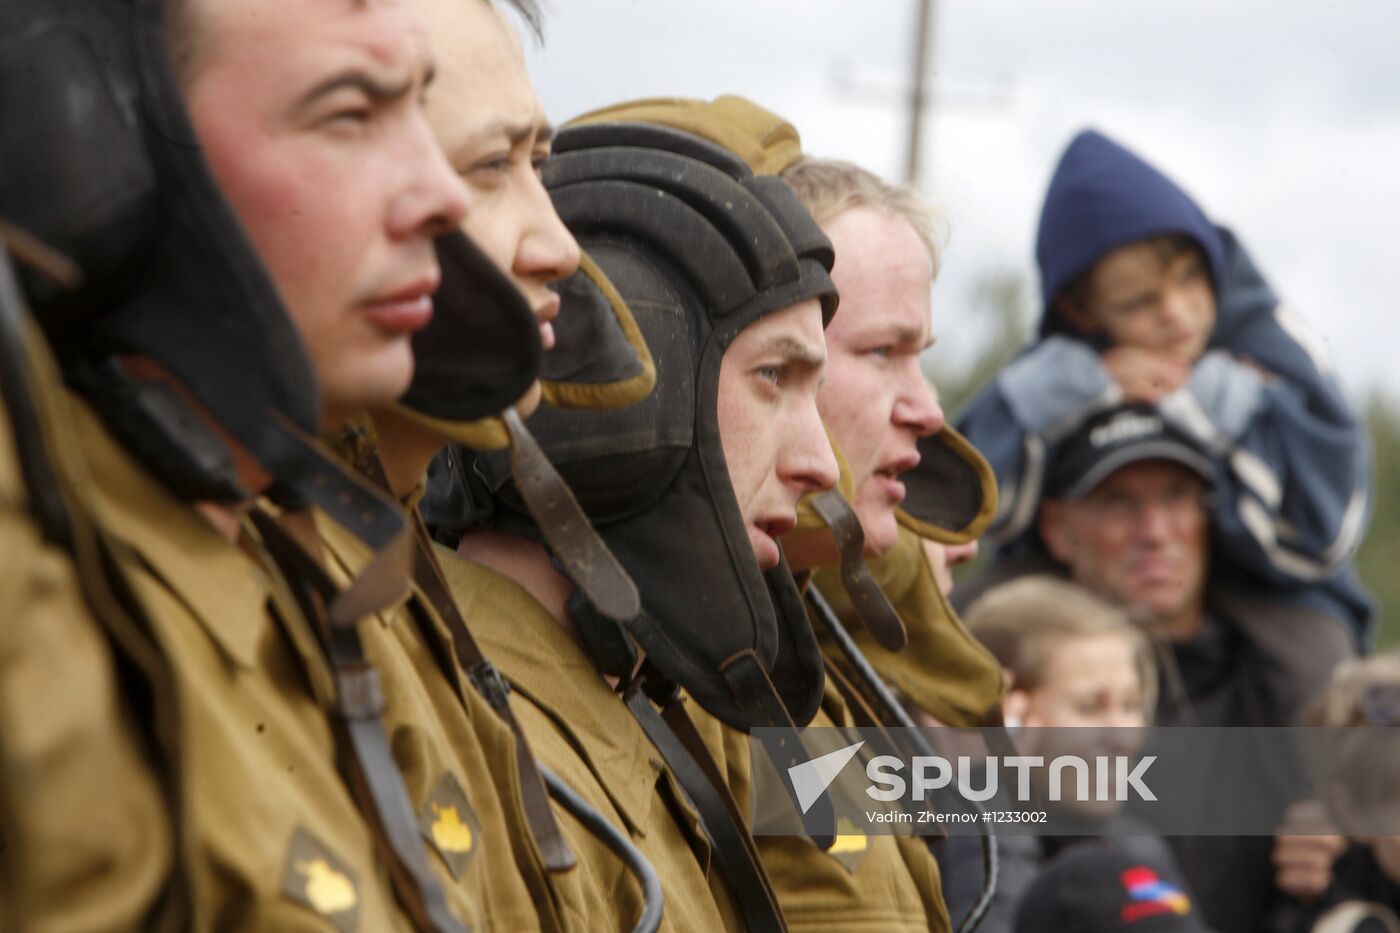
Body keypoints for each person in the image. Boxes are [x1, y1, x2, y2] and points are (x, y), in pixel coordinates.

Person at [3, 0, 487, 925]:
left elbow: (846, 897)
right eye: (351, 113)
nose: (446, 196)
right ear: (95, 151)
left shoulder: (791, 692)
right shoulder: (54, 600)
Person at [422, 124, 843, 931]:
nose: (824, 463)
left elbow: (990, 794)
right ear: (627, 380)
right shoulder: (477, 740)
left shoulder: (654, 699)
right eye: (774, 376)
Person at [957, 127, 1373, 646]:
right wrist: (1081, 385)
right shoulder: (1057, 365)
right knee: (972, 627)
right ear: (1078, 311)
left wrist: (1221, 401)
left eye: (1190, 277)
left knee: (1313, 662)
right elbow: (959, 493)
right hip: (1080, 590)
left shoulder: (1271, 339)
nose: (1177, 315)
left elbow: (1332, 526)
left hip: (1269, 590)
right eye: (1139, 303)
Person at [958, 403, 1357, 931]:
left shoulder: (1291, 676)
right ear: (1056, 525)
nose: (1155, 531)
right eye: (1119, 503)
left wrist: (1351, 857)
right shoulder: (956, 734)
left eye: (1178, 497)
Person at [946, 575, 1188, 933]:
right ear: (1006, 717)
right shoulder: (935, 844)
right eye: (1090, 707)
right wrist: (987, 798)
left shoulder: (1137, 849)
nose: (1123, 736)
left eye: (1131, 705)